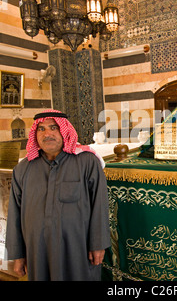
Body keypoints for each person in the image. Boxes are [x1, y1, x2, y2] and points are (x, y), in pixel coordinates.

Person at [5, 109, 111, 281]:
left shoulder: (87, 162)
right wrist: (17, 255)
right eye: (42, 129)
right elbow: (15, 213)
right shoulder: (23, 169)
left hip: (78, 249)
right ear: (35, 134)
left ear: (64, 131)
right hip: (38, 252)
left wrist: (98, 244)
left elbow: (100, 204)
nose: (48, 134)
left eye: (53, 128)